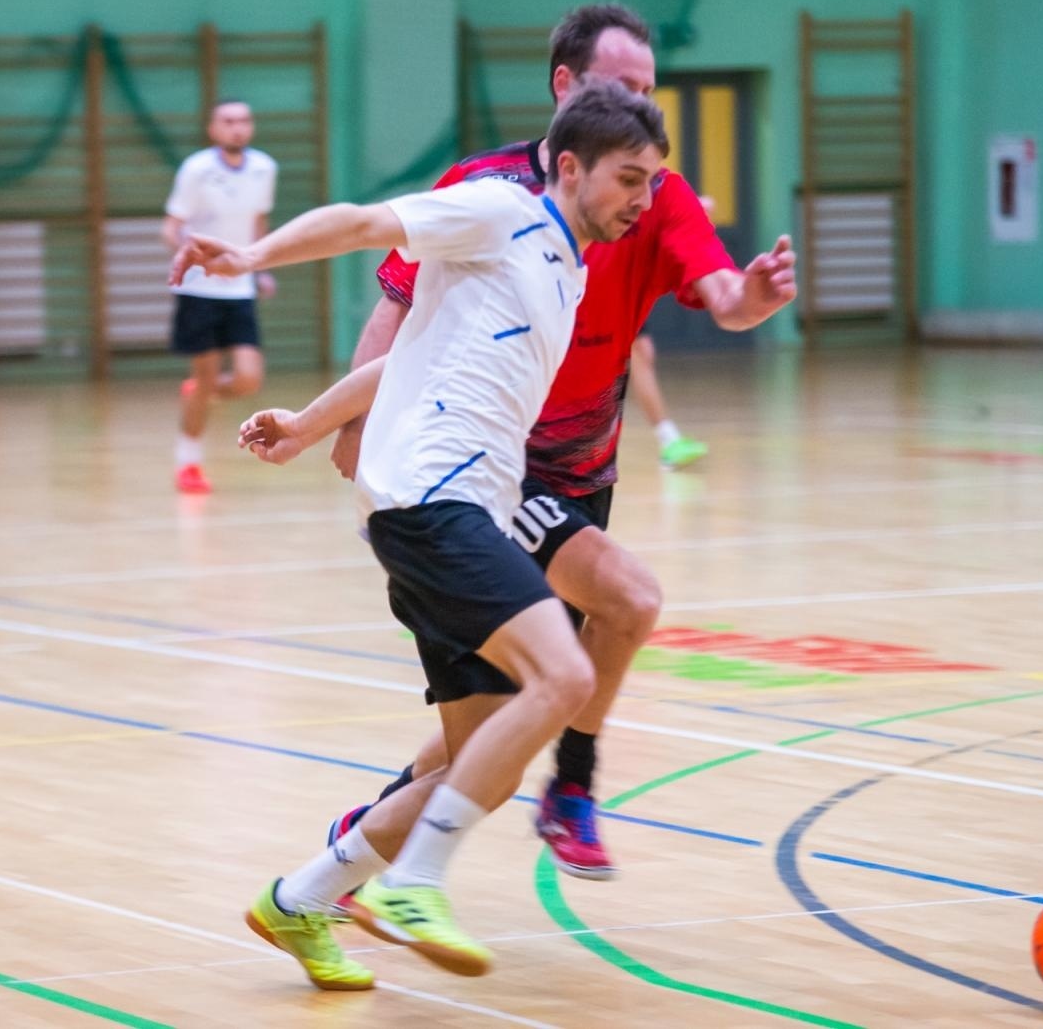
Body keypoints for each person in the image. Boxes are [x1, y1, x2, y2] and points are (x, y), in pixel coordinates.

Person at [171, 81, 671, 989]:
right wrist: (248, 254)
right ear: (569, 166)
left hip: (458, 508)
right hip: (431, 502)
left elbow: (417, 356)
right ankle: (417, 884)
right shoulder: (498, 214)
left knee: (473, 758)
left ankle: (302, 897)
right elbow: (362, 222)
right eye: (629, 178)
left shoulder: (566, 269)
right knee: (564, 674)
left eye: (652, 181)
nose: (643, 199)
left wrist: (310, 421)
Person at [326, 3, 796, 882]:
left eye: (651, 91)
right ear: (565, 89)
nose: (642, 108)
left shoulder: (655, 195)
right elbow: (399, 302)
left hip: (586, 470)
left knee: (505, 707)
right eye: (623, 88)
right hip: (489, 471)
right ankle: (569, 790)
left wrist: (755, 299)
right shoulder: (488, 189)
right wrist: (352, 421)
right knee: (625, 601)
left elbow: (725, 296)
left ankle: (363, 841)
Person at [161, 99, 279, 494]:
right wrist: (188, 258)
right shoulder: (197, 170)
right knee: (206, 373)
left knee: (247, 379)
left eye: (243, 121)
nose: (237, 128)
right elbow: (172, 227)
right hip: (199, 289)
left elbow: (258, 223)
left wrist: (259, 266)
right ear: (213, 129)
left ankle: (201, 392)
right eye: (228, 121)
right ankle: (188, 464)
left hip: (239, 287)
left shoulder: (264, 168)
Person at [626, 193, 721, 469]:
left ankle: (668, 439)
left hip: (625, 286)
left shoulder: (653, 190)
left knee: (641, 352)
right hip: (588, 280)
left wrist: (690, 214)